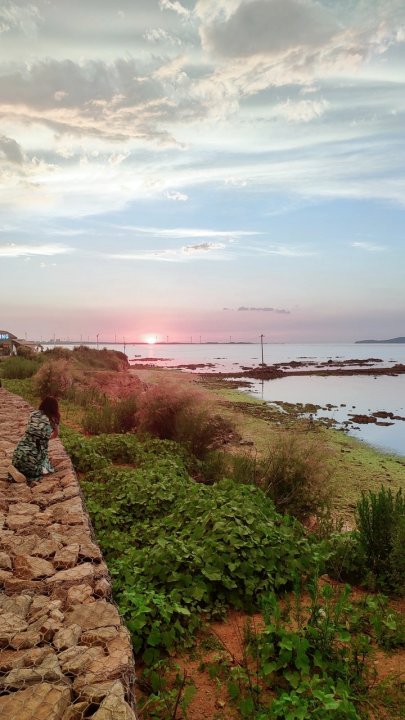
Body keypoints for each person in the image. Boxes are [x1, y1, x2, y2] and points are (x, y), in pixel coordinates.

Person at [10, 396, 60, 483]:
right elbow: (56, 434)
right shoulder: (52, 419)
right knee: (44, 464)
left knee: (25, 455)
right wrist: (45, 438)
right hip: (34, 460)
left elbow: (31, 429)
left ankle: (18, 470)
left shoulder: (33, 414)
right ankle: (27, 473)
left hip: (18, 456)